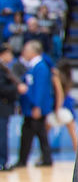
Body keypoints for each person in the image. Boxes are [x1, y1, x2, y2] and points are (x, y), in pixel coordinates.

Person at [15, 39, 54, 167]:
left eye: (26, 49)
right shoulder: (33, 66)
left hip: (35, 108)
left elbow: (40, 88)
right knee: (39, 133)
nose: (24, 52)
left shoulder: (40, 67)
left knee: (30, 132)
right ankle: (45, 159)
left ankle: (23, 160)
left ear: (33, 51)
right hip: (31, 106)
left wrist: (37, 106)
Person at [0, 42, 20, 169]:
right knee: (2, 135)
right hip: (2, 107)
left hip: (5, 106)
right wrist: (16, 88)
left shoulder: (5, 67)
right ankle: (2, 162)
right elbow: (1, 87)